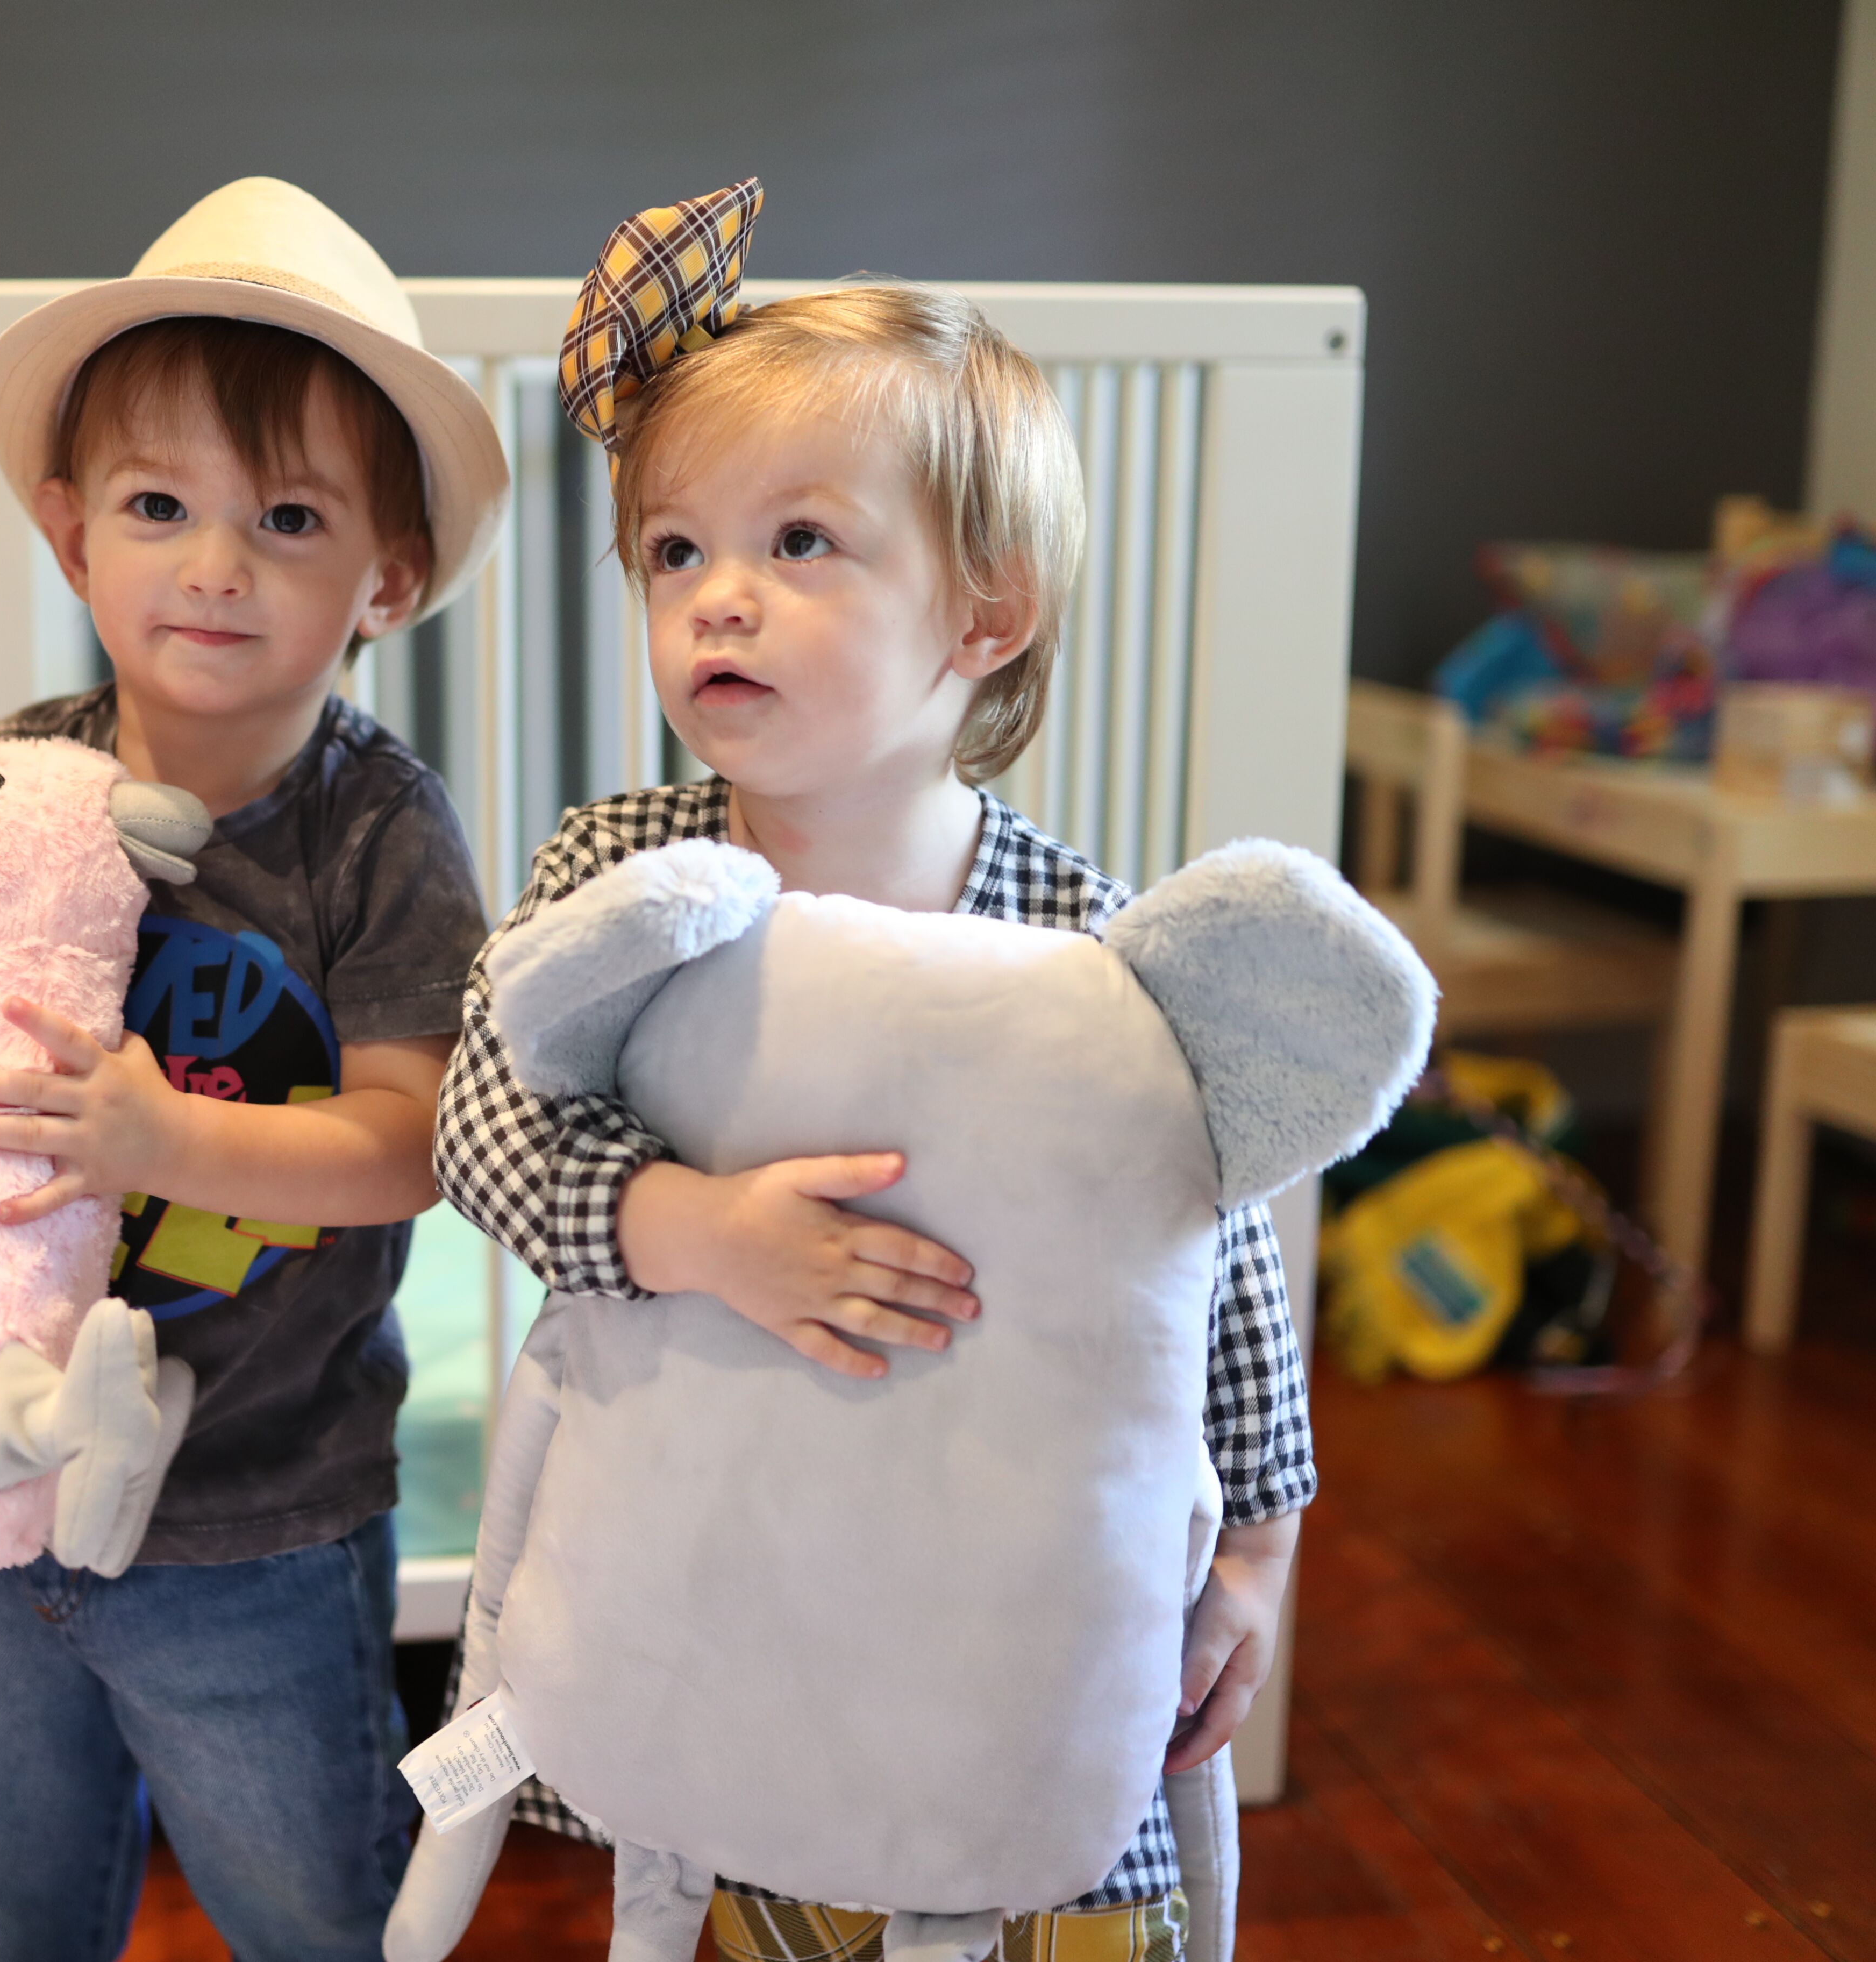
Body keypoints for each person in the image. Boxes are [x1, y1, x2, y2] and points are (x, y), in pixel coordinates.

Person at [433, 182, 1310, 1961]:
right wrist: (690, 1229)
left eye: (800, 543)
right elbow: (484, 1119)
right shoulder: (627, 874)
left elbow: (1204, 1259)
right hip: (736, 1537)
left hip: (999, 1541)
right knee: (770, 1841)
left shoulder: (1081, 940)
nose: (718, 599)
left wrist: (1253, 1554)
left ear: (985, 615)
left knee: (1043, 1850)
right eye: (674, 552)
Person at [0, 177, 505, 1962]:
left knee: (315, 1912)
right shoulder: (14, 783)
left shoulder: (374, 829)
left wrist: (164, 1140)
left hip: (258, 1517)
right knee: (16, 1906)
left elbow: (412, 1141)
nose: (215, 564)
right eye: (159, 507)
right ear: (73, 544)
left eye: (286, 519)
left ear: (388, 578)